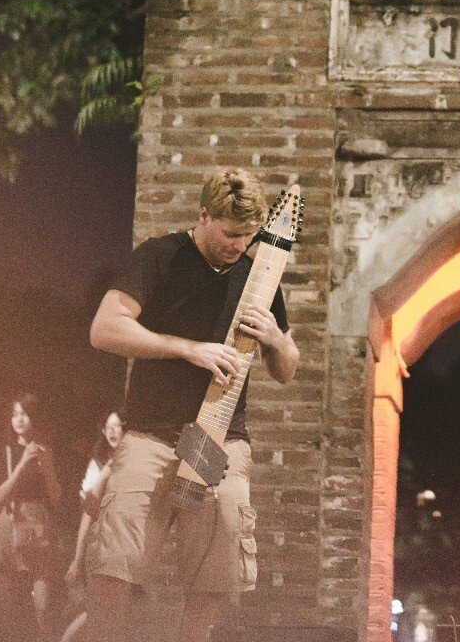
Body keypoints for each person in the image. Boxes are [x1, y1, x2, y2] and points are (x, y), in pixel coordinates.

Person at [86, 168, 300, 642]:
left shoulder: (259, 273)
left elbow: (287, 367)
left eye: (248, 235)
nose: (239, 244)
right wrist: (187, 348)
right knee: (118, 559)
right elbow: (104, 329)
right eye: (229, 233)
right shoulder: (160, 257)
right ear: (203, 216)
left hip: (217, 437)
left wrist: (275, 340)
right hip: (151, 432)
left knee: (218, 559)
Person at [0, 392, 63, 641]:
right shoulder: (5, 452)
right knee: (9, 608)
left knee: (43, 607)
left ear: (35, 417)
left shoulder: (46, 450)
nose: (19, 419)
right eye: (14, 414)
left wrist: (48, 467)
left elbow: (55, 499)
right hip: (9, 532)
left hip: (38, 530)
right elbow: (0, 496)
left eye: (24, 413)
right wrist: (22, 463)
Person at [60, 411, 123, 642]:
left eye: (117, 426)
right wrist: (77, 559)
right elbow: (88, 510)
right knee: (98, 610)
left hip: (122, 544)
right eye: (108, 427)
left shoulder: (133, 465)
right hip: (101, 545)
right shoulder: (98, 464)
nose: (112, 431)